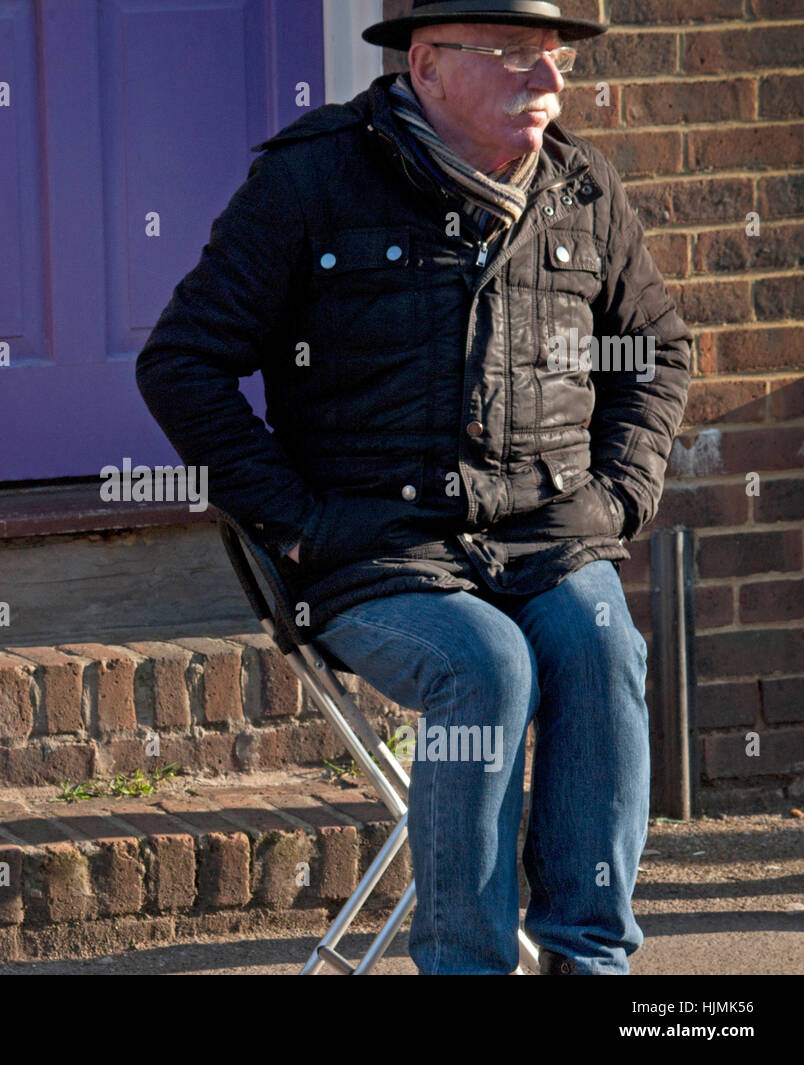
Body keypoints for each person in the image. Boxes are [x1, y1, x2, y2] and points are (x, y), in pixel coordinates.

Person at [135, 0, 691, 974]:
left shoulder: (581, 188)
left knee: (600, 649)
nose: (549, 82)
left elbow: (653, 352)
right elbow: (182, 363)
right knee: (485, 667)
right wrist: (296, 518)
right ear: (428, 65)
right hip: (378, 547)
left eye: (550, 58)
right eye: (515, 58)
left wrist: (617, 498)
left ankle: (588, 958)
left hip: (549, 532)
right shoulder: (311, 177)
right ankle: (464, 966)